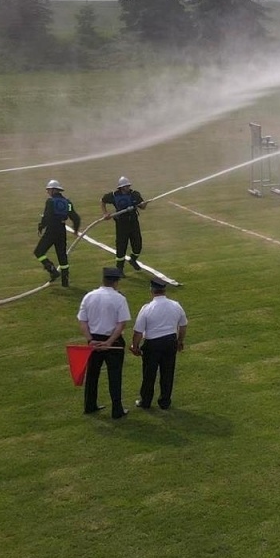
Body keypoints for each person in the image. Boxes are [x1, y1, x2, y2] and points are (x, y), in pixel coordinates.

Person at [77, 267, 131, 419]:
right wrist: (109, 342)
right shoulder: (119, 299)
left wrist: (90, 340)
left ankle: (89, 405)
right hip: (113, 341)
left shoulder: (89, 296)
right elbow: (121, 324)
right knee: (115, 375)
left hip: (94, 340)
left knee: (92, 375)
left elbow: (83, 321)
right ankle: (117, 409)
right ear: (116, 282)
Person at [131, 275, 188, 410]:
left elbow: (138, 332)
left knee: (149, 374)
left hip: (153, 344)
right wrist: (180, 341)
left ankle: (146, 401)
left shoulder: (147, 308)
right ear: (165, 290)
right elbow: (183, 325)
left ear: (152, 290)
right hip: (170, 342)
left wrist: (135, 346)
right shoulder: (175, 305)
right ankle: (165, 401)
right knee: (167, 373)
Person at [34, 179, 81, 287]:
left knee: (39, 252)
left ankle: (51, 269)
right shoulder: (67, 202)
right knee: (62, 256)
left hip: (52, 230)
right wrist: (76, 229)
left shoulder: (50, 202)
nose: (47, 192)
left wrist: (41, 226)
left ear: (54, 190)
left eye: (49, 190)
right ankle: (65, 281)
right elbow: (75, 217)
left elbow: (47, 216)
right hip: (62, 230)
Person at [100, 177, 148, 274]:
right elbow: (102, 201)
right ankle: (119, 269)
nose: (128, 187)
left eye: (128, 185)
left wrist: (144, 204)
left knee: (138, 244)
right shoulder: (113, 195)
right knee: (121, 246)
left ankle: (133, 259)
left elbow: (142, 207)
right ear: (121, 187)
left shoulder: (135, 194)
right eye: (126, 186)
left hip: (133, 222)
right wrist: (105, 213)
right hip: (121, 224)